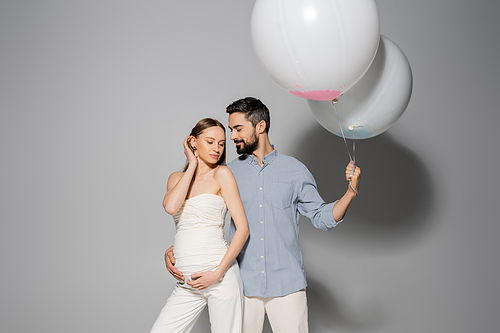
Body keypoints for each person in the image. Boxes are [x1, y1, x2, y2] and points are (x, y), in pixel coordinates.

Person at [165, 98, 361, 333]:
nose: (232, 137)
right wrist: (175, 249)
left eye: (238, 129)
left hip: (288, 285)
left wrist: (350, 192)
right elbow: (202, 217)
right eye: (231, 130)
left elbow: (323, 217)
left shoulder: (295, 171)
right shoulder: (227, 173)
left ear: (260, 127)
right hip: (243, 285)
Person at [150, 118, 249, 333]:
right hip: (187, 283)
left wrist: (218, 273)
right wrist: (192, 164)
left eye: (221, 144)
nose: (217, 149)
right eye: (210, 142)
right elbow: (171, 207)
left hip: (220, 278)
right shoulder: (176, 178)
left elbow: (243, 229)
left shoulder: (222, 174)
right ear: (193, 142)